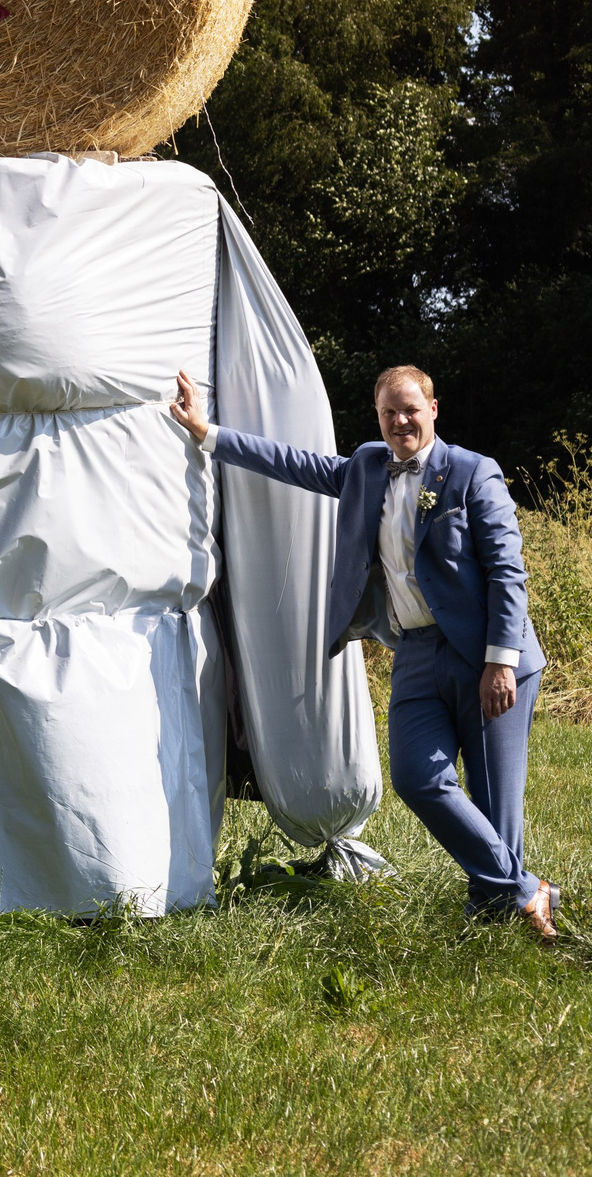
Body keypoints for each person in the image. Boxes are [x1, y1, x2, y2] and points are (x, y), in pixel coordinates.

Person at [168, 364, 557, 938]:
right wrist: (208, 433)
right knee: (416, 777)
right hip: (418, 652)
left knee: (496, 799)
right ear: (377, 418)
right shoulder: (368, 468)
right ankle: (525, 890)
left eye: (410, 409)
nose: (400, 421)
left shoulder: (474, 474)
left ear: (433, 409)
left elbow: (507, 574)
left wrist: (500, 661)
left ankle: (495, 910)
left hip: (489, 655)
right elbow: (294, 464)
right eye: (387, 412)